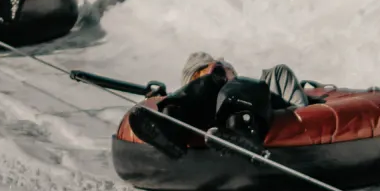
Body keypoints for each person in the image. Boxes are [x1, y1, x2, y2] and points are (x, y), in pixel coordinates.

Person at [127, 53, 311, 157]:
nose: (217, 74)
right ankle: (170, 129)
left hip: (260, 114)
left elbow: (302, 113)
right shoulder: (203, 95)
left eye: (221, 69)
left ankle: (242, 132)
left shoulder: (258, 84)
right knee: (209, 92)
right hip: (212, 124)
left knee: (242, 89)